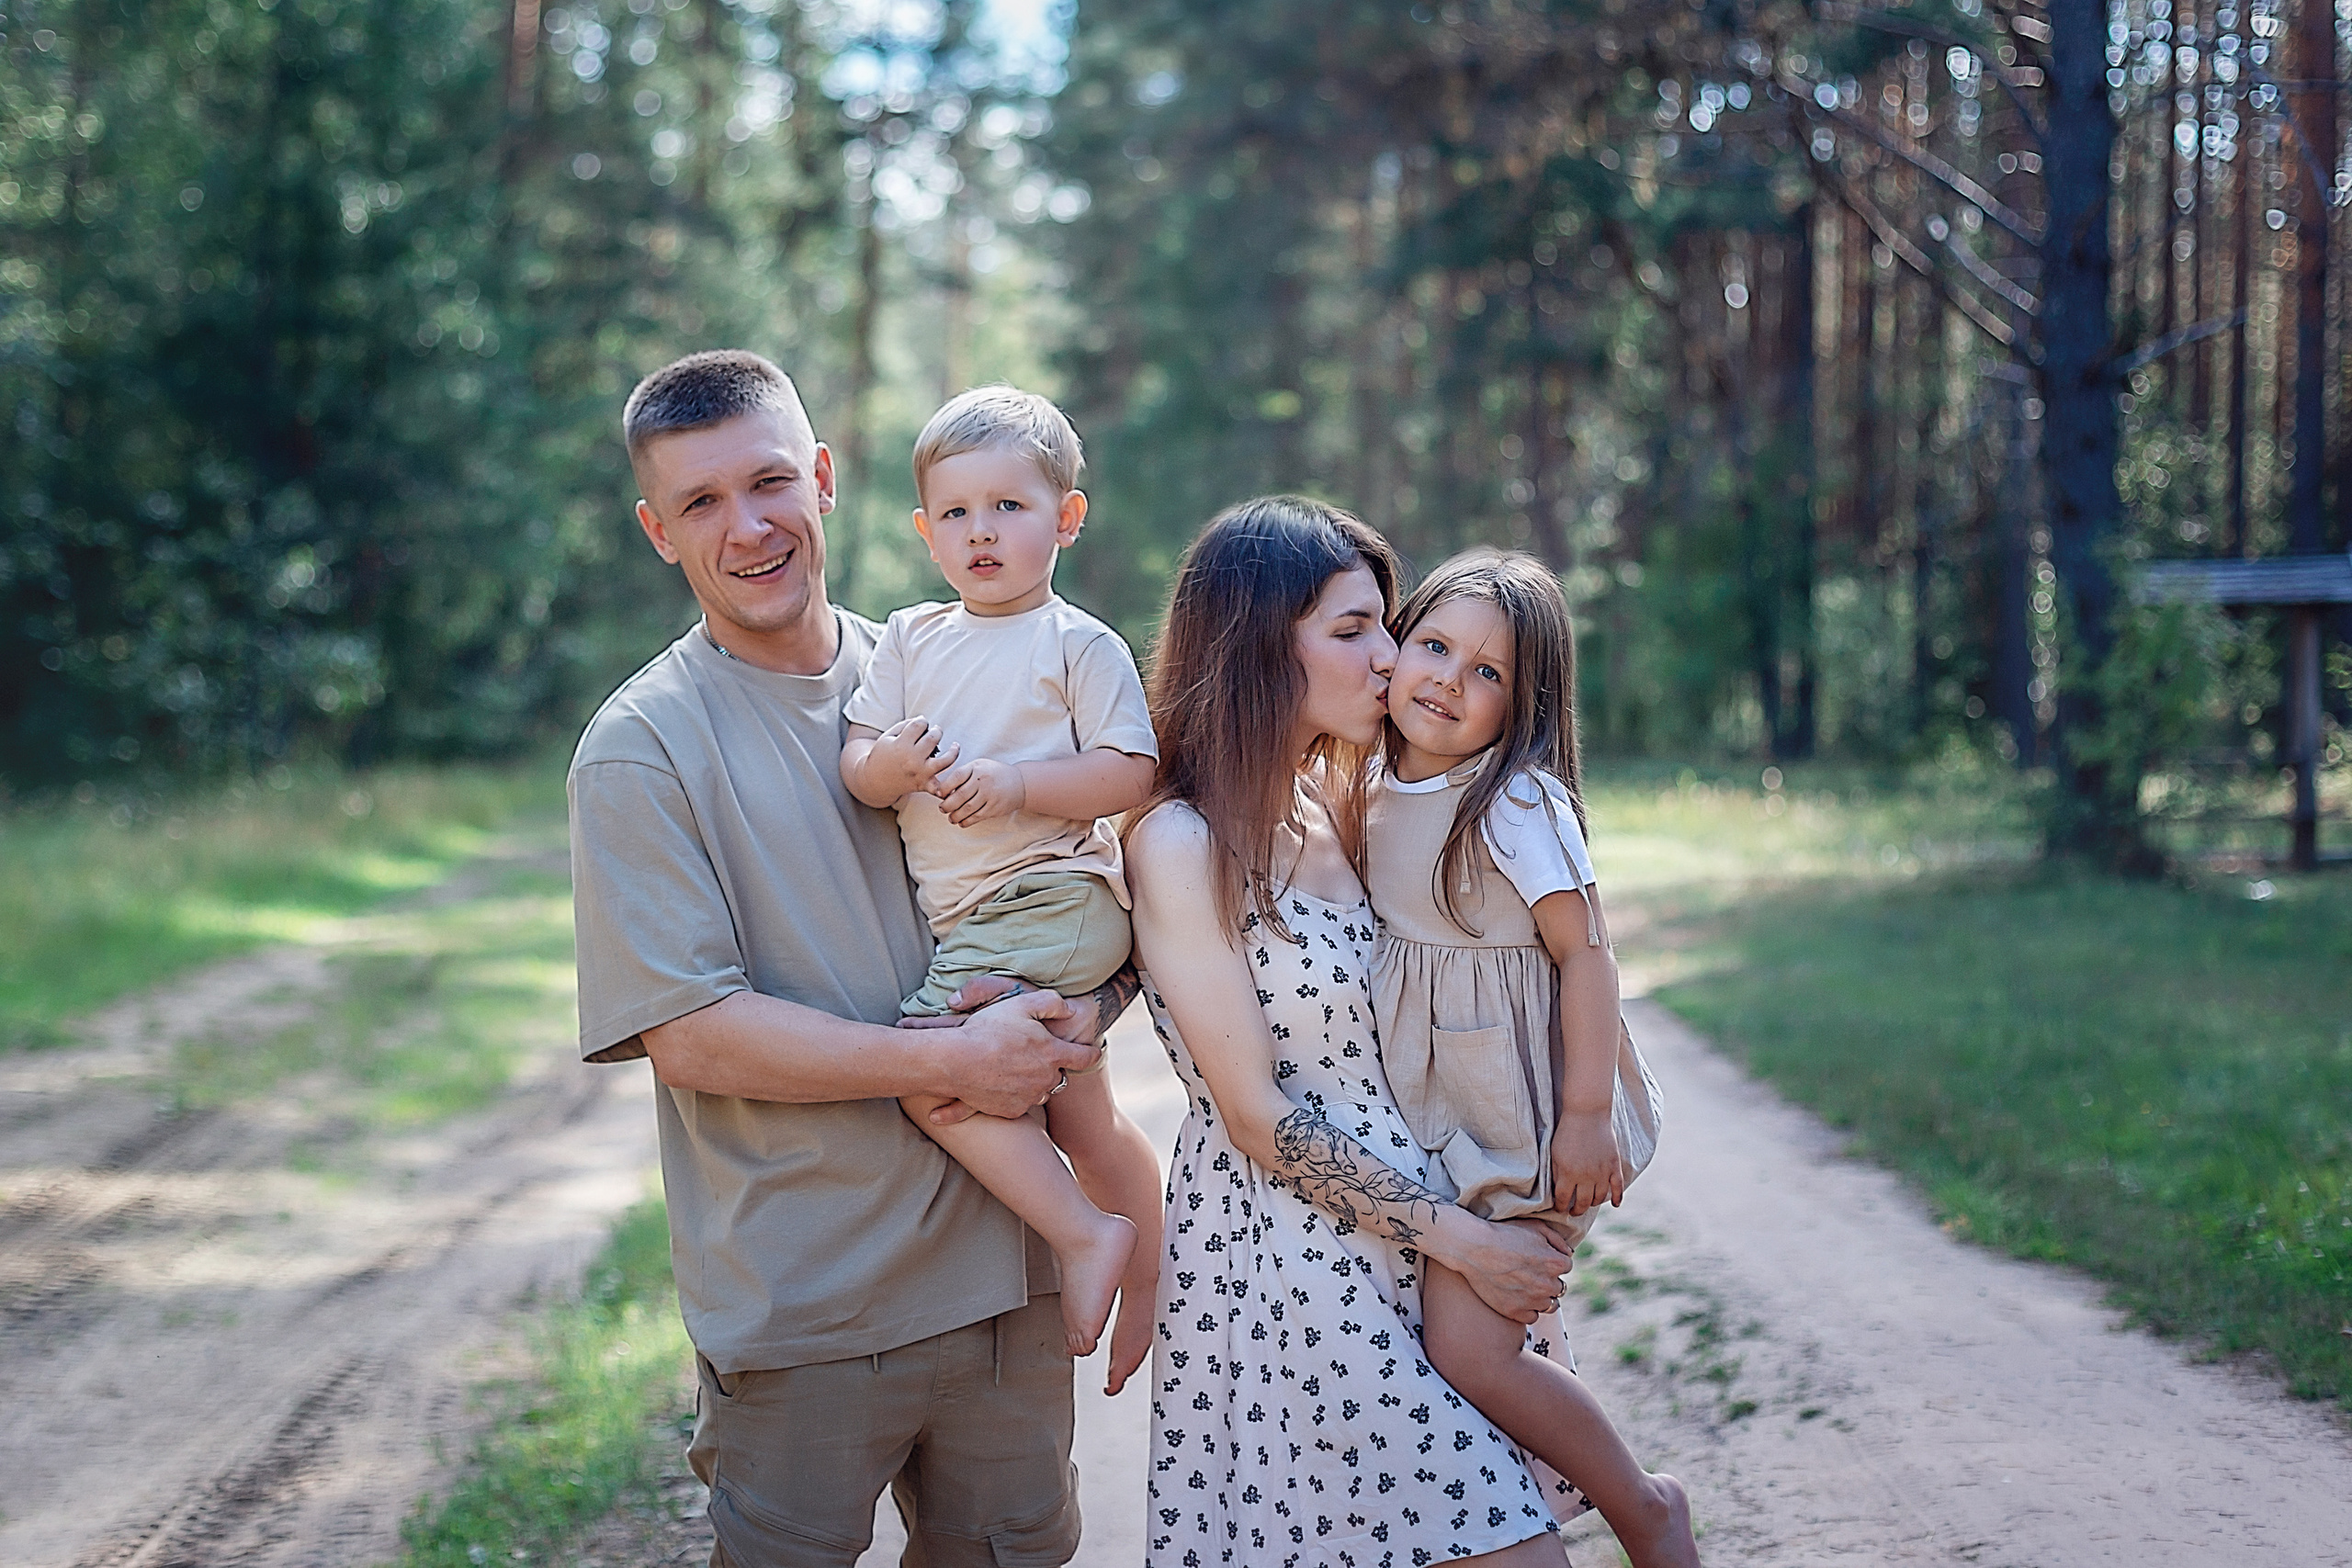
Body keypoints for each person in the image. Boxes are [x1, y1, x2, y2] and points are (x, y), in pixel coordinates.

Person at [568, 349, 1123, 1568]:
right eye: (702, 502)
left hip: (1002, 1283)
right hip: (808, 1306)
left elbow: (1073, 881)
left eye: (769, 482)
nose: (749, 525)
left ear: (821, 476)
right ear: (659, 531)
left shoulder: (953, 661)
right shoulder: (642, 746)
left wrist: (1086, 1008)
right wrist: (953, 1054)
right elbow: (696, 1030)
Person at [1124, 496, 1585, 1568]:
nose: (1388, 658)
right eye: (1350, 631)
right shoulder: (1182, 842)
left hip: (1427, 1247)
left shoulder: (1340, 807)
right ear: (1252, 648)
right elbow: (1257, 1116)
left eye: (1386, 624)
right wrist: (1467, 1242)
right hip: (1295, 1272)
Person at [1369, 549, 1695, 1567]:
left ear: (1523, 705)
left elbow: (1585, 957)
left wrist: (1586, 1114)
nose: (1446, 681)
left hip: (1526, 1111)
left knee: (1471, 1347)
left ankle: (1641, 1507)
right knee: (1443, 1341)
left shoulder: (1512, 802)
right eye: (1433, 646)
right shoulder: (1368, 782)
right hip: (1437, 1115)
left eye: (1487, 674)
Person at [840, 385, 1163, 1380]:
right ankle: (1149, 1270)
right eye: (956, 513)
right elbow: (858, 760)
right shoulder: (906, 639)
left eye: (1009, 508)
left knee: (936, 1079)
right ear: (925, 531)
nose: (981, 533)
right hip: (997, 924)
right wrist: (891, 764)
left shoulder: (1077, 643)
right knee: (1080, 1114)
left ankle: (1079, 1233)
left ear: (1065, 519)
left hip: (1047, 901)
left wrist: (1020, 784)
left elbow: (1131, 771)